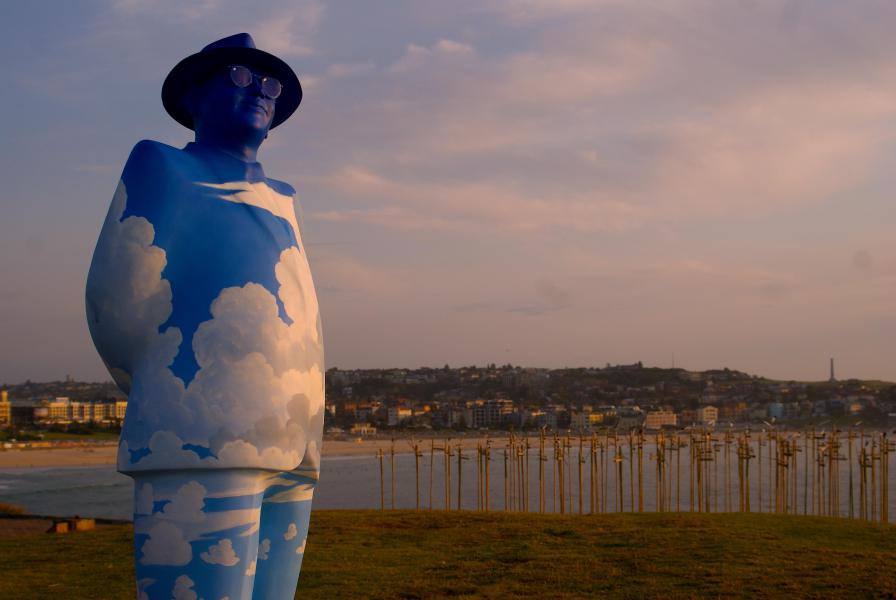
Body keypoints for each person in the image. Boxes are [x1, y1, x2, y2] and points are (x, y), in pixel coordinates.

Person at [85, 33, 324, 600]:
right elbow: (116, 296)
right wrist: (165, 383)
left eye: (270, 84)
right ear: (194, 96)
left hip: (295, 426)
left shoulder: (285, 196)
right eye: (240, 78)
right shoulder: (161, 164)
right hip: (200, 418)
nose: (260, 92)